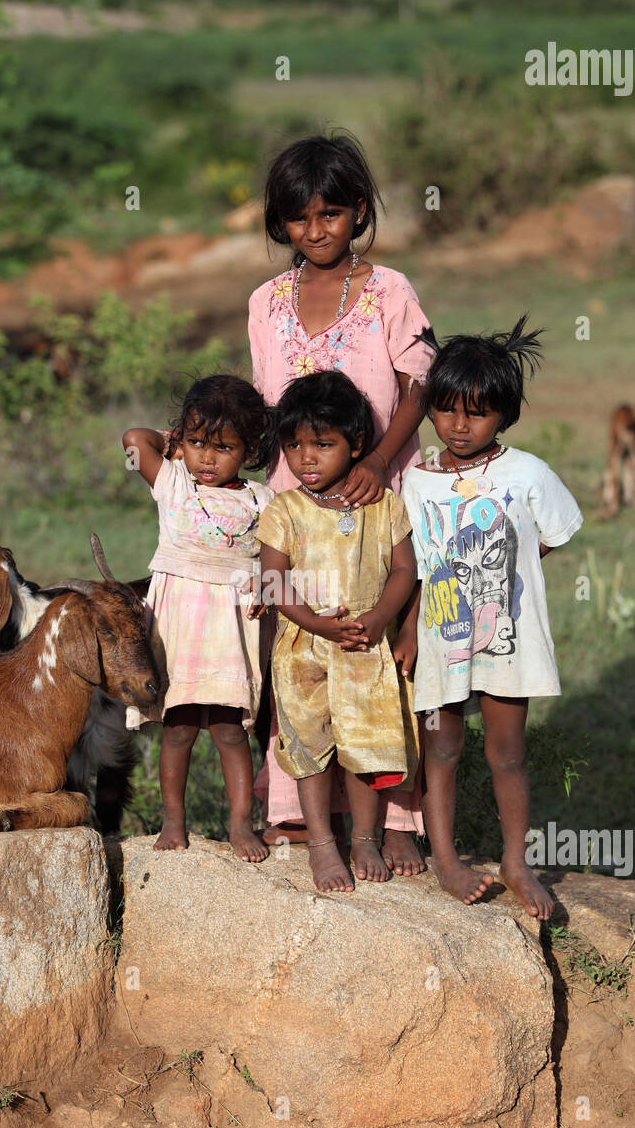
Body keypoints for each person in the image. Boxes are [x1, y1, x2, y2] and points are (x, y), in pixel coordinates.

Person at [249, 131, 433, 869]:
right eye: (299, 219)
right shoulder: (266, 302)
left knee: (382, 657)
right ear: (280, 223)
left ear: (358, 213)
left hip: (378, 495)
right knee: (301, 656)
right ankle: (298, 813)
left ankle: (394, 820)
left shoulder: (390, 290)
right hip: (298, 509)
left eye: (330, 214)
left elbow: (419, 382)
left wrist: (381, 460)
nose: (315, 231)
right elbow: (268, 409)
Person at [399, 317, 583, 919]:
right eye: (447, 410)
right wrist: (408, 628)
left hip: (509, 638)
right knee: (442, 749)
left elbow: (549, 535)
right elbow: (419, 566)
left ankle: (515, 861)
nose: (459, 425)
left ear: (503, 414)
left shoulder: (527, 472)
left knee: (507, 752)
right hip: (440, 635)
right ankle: (447, 859)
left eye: (476, 413)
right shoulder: (418, 481)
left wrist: (502, 576)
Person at [257, 371, 420, 894]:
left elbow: (404, 571)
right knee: (308, 747)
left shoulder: (384, 505)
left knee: (365, 745)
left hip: (364, 648)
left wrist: (377, 619)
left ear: (356, 445)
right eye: (295, 446)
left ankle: (366, 837)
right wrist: (317, 624)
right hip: (304, 651)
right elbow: (272, 579)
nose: (306, 458)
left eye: (323, 445)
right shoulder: (286, 509)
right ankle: (324, 843)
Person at [123, 376, 274, 862]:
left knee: (231, 731)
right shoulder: (173, 481)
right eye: (196, 443)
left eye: (223, 447)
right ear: (180, 441)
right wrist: (171, 448)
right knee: (179, 727)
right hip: (179, 626)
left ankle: (240, 824)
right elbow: (132, 439)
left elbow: (276, 561)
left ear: (249, 449)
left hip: (230, 628)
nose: (207, 458)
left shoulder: (263, 499)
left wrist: (267, 590)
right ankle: (173, 820)